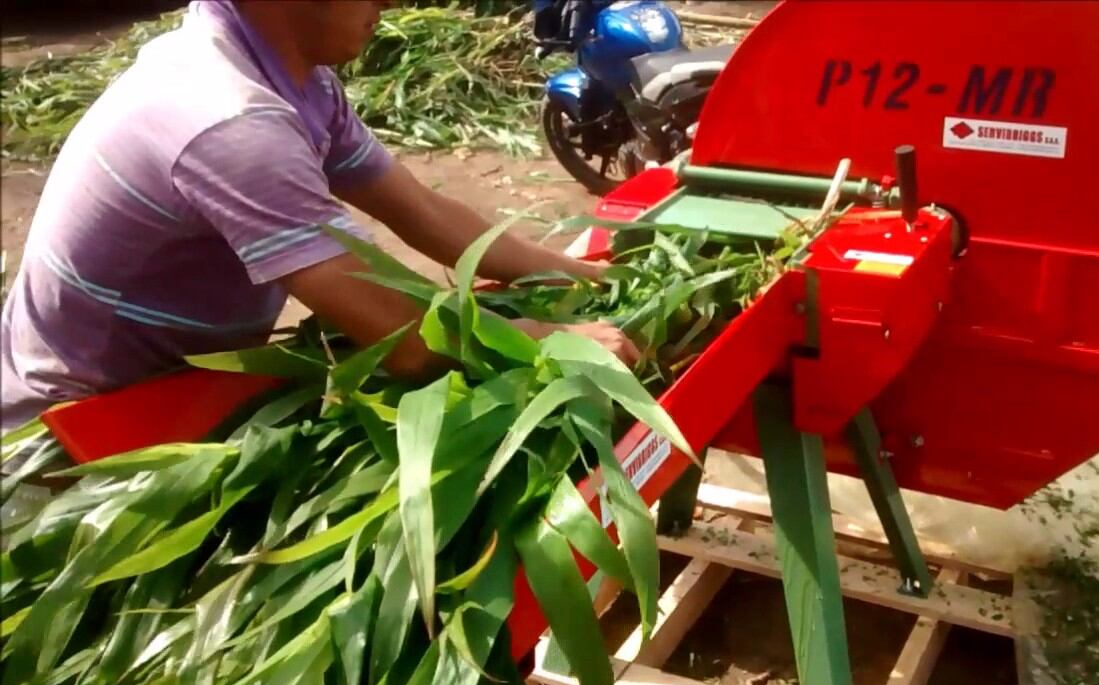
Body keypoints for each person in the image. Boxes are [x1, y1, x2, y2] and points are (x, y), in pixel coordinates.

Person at [0, 0, 639, 436]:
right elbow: (403, 342)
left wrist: (585, 277)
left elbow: (424, 212)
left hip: (182, 384)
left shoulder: (294, 82)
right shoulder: (231, 119)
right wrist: (550, 340)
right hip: (83, 426)